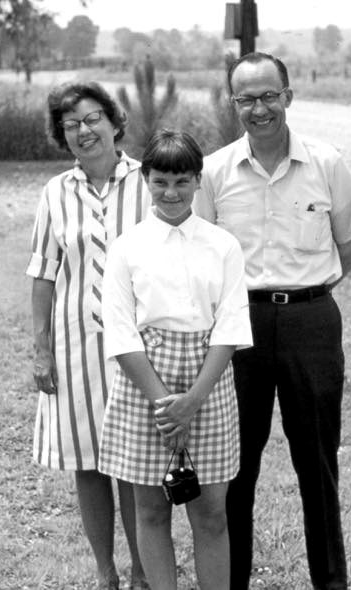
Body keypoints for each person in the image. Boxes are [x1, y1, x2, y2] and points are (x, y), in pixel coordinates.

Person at [194, 52, 351, 590]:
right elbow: (201, 258)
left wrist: (308, 293)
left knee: (317, 464)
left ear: (288, 96)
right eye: (246, 98)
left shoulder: (326, 162)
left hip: (311, 323)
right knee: (235, 470)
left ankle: (331, 582)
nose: (259, 108)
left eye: (269, 95)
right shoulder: (215, 171)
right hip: (238, 331)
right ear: (233, 103)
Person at [98, 129, 252, 590]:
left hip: (208, 381)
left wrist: (193, 401)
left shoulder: (222, 245)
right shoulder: (127, 246)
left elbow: (230, 327)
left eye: (182, 181)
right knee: (150, 510)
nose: (171, 192)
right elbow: (121, 331)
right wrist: (166, 404)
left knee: (210, 514)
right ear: (146, 179)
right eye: (161, 180)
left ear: (198, 182)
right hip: (146, 384)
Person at [27, 81, 149, 590]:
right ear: (63, 135)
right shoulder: (56, 192)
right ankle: (106, 573)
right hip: (76, 344)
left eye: (93, 117)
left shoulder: (148, 181)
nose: (84, 130)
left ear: (115, 121)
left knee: (137, 467)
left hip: (141, 347)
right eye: (71, 123)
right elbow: (42, 273)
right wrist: (41, 349)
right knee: (88, 462)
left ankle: (145, 570)